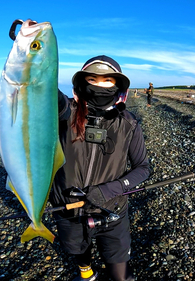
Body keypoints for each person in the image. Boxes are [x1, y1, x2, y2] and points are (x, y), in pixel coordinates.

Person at [52, 55, 150, 281]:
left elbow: (142, 168)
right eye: (92, 79)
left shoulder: (128, 123)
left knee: (121, 277)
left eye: (107, 80)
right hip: (67, 208)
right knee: (78, 251)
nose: (99, 85)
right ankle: (87, 271)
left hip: (111, 209)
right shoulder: (66, 113)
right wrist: (32, 53)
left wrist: (108, 190)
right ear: (81, 84)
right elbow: (44, 92)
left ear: (118, 86)